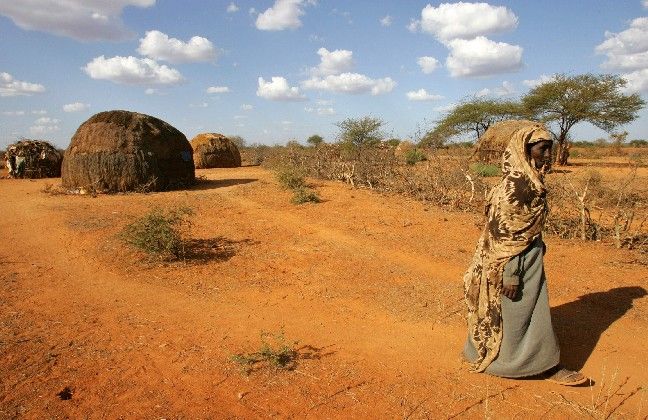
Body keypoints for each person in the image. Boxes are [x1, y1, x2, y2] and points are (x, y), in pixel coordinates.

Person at [462, 122, 587, 386]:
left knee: (505, 310)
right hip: (512, 261)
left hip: (522, 256)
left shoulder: (525, 177)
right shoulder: (520, 186)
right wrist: (511, 273)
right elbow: (504, 236)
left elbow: (518, 229)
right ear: (525, 149)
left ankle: (489, 353)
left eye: (549, 148)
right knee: (525, 311)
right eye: (542, 149)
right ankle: (542, 365)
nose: (547, 154)